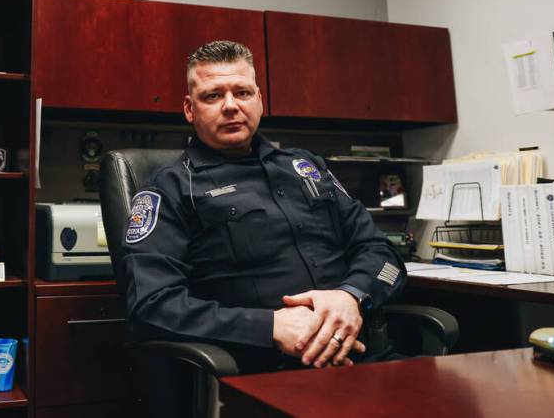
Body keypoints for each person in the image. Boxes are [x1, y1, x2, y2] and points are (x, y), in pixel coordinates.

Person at [120, 40, 406, 373]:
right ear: (189, 108)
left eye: (242, 92)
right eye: (213, 95)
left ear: (260, 100)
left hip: (367, 360)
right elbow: (150, 306)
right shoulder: (171, 189)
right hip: (268, 373)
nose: (230, 106)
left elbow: (383, 255)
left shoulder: (307, 167)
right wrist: (269, 327)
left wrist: (352, 295)